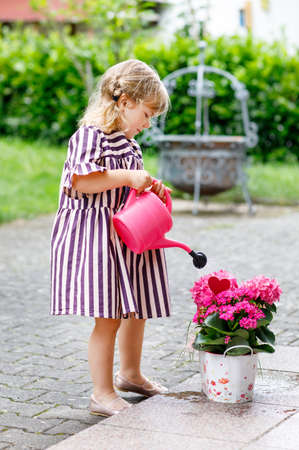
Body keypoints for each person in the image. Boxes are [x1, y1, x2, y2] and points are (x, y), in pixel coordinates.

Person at [50, 59, 171, 417]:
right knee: (109, 315)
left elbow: (129, 186)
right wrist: (126, 177)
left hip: (128, 236)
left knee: (138, 308)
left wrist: (150, 188)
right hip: (98, 239)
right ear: (124, 102)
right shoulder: (89, 136)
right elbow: (82, 183)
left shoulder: (129, 143)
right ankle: (101, 393)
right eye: (147, 114)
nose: (148, 124)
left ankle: (130, 374)